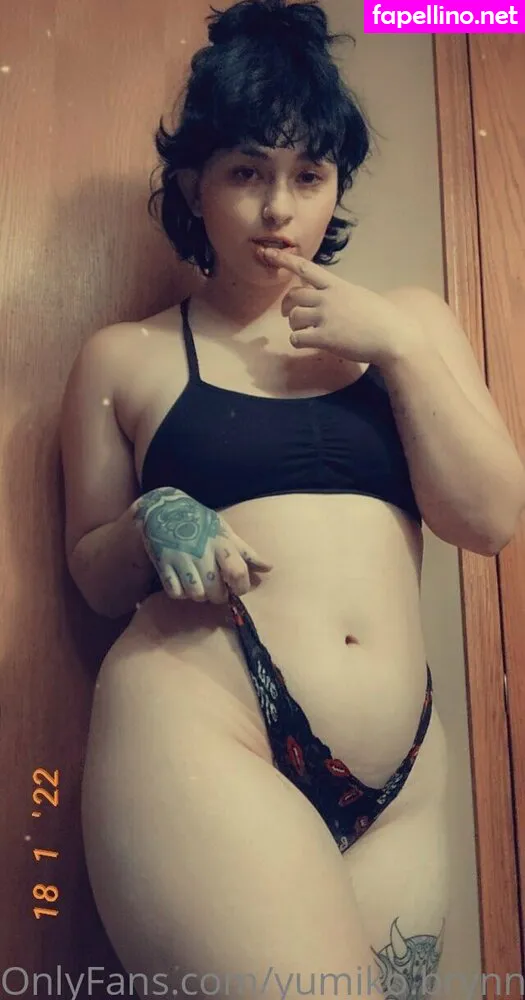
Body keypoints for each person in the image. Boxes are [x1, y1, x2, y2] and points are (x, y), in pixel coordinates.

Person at [60, 1, 525, 998]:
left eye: (308, 175)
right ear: (195, 183)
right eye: (246, 172)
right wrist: (151, 518)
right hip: (202, 729)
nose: (278, 209)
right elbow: (92, 577)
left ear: (335, 184)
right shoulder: (125, 357)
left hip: (402, 770)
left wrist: (395, 348)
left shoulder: (412, 322)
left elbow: (490, 519)